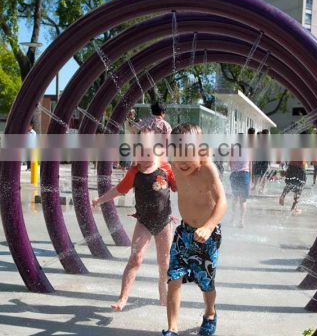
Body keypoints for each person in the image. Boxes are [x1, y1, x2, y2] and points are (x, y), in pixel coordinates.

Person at [92, 130, 177, 311]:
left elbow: (180, 188)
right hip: (144, 222)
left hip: (164, 222)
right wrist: (100, 200)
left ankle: (163, 289)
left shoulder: (166, 169)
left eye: (148, 153)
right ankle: (123, 298)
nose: (144, 158)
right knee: (135, 258)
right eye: (140, 153)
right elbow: (118, 190)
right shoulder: (134, 172)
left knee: (165, 262)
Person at [162, 123, 227, 336]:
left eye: (187, 156)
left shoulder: (207, 169)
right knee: (174, 278)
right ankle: (172, 328)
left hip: (207, 236)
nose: (181, 163)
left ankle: (209, 313)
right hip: (184, 232)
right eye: (177, 156)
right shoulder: (176, 164)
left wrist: (208, 227)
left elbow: (222, 202)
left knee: (206, 282)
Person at [229, 142, 251, 228]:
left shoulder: (233, 150)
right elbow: (250, 164)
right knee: (243, 200)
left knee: (235, 198)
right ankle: (241, 221)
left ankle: (233, 217)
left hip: (235, 174)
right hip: (245, 174)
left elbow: (230, 163)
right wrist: (250, 177)